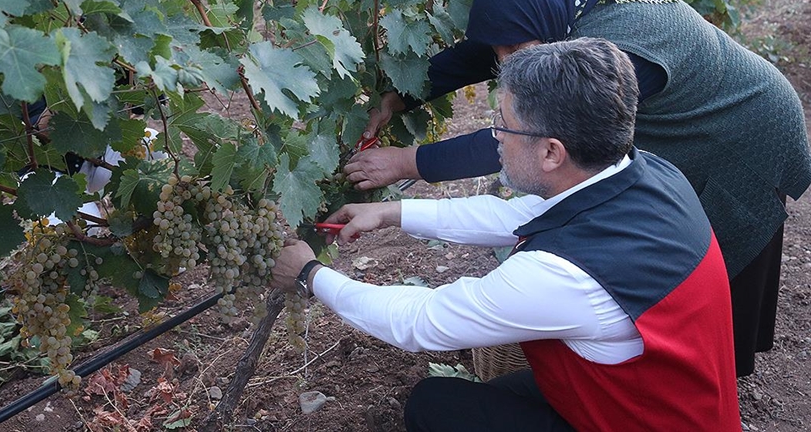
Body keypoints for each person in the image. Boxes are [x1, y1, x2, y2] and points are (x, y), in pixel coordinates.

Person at [343, 0, 811, 377]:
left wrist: (409, 161)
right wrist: (399, 98)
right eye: (500, 52)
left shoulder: (618, 52)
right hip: (722, 105)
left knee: (706, 248)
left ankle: (701, 371)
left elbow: (522, 140)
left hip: (748, 130)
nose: (502, 64)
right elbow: (504, 36)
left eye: (514, 52)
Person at [272, 38, 741, 430]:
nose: (494, 135)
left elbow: (421, 322)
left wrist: (311, 274)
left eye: (504, 125)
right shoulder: (645, 173)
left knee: (435, 407)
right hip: (666, 406)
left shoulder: (565, 276)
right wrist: (393, 212)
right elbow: (515, 216)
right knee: (501, 395)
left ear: (552, 153)